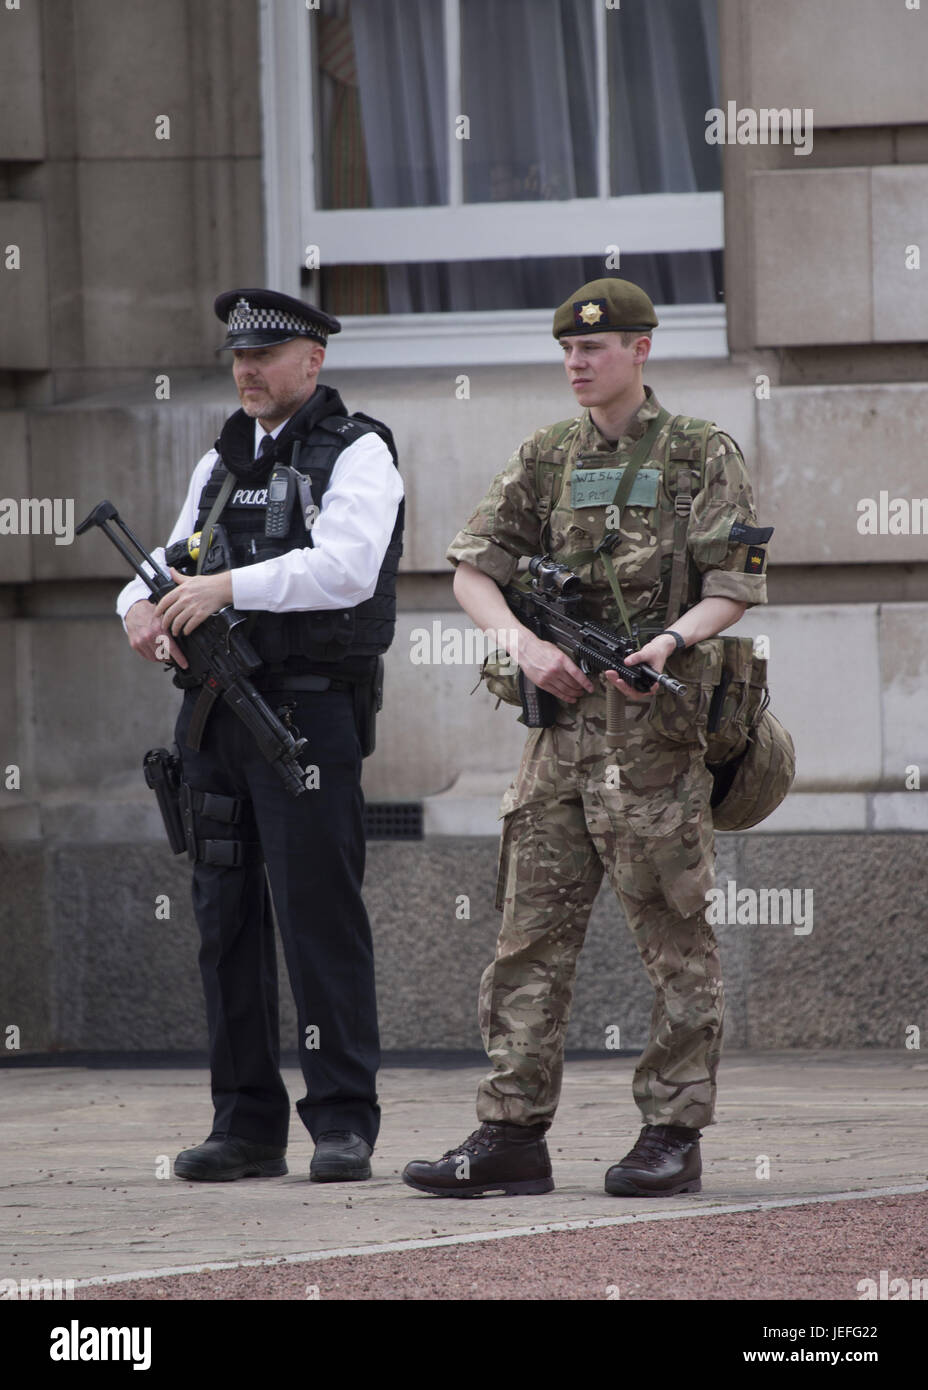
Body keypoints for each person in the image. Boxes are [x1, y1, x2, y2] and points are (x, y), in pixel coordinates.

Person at [402, 277, 769, 1199]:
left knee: (674, 940)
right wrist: (522, 647)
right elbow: (471, 571)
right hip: (558, 743)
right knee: (527, 943)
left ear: (640, 351)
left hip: (651, 742)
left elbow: (736, 583)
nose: (576, 362)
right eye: (567, 349)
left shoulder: (699, 453)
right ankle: (511, 1133)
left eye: (594, 349)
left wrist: (670, 640)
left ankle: (672, 1136)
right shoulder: (548, 455)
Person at [117, 288, 404, 1183]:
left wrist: (225, 590)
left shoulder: (357, 452)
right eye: (238, 356)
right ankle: (244, 1124)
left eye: (266, 356)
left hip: (306, 715)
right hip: (212, 713)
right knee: (223, 919)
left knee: (319, 916)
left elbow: (346, 568)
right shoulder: (222, 463)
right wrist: (138, 610)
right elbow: (165, 565)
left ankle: (343, 1123)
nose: (246, 370)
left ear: (312, 362)